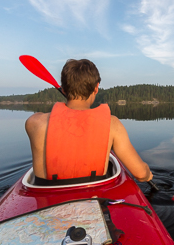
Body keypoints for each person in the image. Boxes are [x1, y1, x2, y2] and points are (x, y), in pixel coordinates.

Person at [25, 59, 153, 185]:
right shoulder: (112, 124)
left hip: (47, 198)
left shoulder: (34, 122)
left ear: (63, 89)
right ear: (96, 88)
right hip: (94, 197)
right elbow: (140, 174)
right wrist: (148, 174)